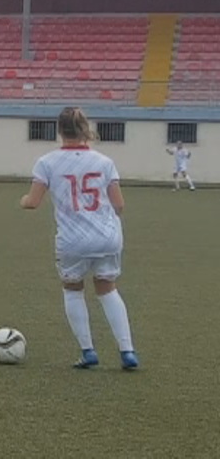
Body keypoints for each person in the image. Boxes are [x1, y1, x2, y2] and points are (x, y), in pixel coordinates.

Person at [20, 107, 138, 370]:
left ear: (59, 131)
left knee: (73, 289)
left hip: (73, 239)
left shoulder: (47, 162)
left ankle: (88, 351)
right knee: (108, 288)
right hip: (108, 237)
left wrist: (23, 200)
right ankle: (127, 350)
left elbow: (33, 202)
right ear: (85, 128)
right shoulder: (105, 162)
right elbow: (119, 205)